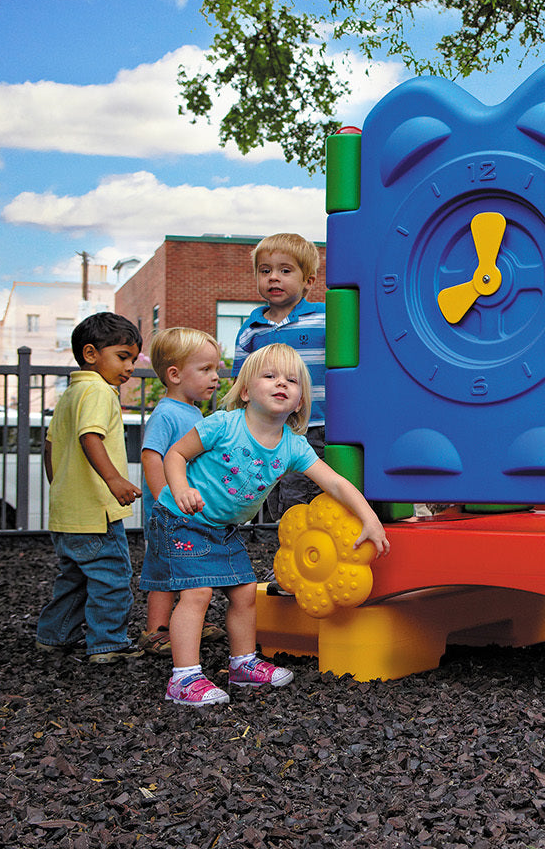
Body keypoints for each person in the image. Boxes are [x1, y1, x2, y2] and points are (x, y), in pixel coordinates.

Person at [152, 343, 391, 706]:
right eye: (270, 376)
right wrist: (180, 488)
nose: (282, 383)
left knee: (246, 592)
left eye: (292, 380)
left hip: (222, 528)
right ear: (246, 391)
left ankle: (243, 663)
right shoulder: (223, 425)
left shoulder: (293, 447)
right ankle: (183, 678)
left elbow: (337, 483)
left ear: (299, 402)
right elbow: (176, 453)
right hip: (181, 519)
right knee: (197, 593)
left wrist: (370, 519)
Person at [35, 312, 144, 663]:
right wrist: (113, 479)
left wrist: (63, 489)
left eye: (132, 358)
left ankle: (53, 636)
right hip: (97, 513)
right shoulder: (99, 391)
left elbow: (50, 446)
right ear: (91, 353)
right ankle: (108, 644)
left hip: (68, 512)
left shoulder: (71, 393)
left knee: (76, 579)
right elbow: (90, 436)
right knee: (112, 578)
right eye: (122, 356)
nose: (129, 367)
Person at [135, 327, 228, 656]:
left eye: (215, 368)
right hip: (169, 513)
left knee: (191, 566)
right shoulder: (166, 414)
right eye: (206, 370)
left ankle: (190, 621)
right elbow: (151, 456)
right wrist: (164, 500)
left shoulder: (190, 410)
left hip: (188, 509)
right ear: (174, 375)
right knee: (163, 570)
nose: (215, 377)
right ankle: (156, 631)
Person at [233, 233, 327, 522]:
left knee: (305, 498)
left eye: (285, 271)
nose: (274, 278)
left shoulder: (324, 318)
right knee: (273, 497)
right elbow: (240, 384)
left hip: (316, 426)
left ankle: (307, 555)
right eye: (265, 271)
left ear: (308, 281)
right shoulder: (252, 329)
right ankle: (286, 552)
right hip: (270, 429)